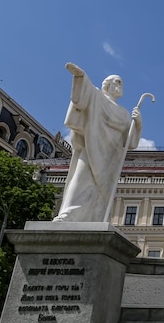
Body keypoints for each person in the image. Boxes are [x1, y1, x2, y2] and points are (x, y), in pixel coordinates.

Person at [53, 63, 142, 222]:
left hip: (111, 154)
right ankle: (68, 213)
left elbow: (129, 142)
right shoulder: (98, 97)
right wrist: (80, 76)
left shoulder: (124, 113)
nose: (121, 86)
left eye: (121, 83)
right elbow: (85, 93)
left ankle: (96, 218)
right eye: (117, 82)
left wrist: (138, 124)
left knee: (100, 189)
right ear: (107, 85)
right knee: (81, 177)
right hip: (93, 143)